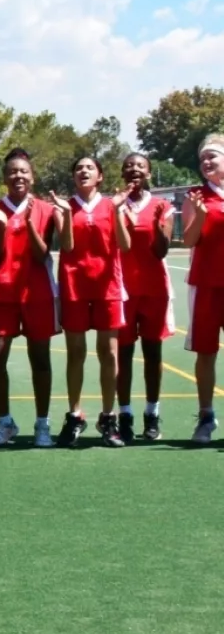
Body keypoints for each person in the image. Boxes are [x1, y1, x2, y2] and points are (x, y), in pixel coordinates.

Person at [0, 148, 59, 448]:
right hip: (2, 291)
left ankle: (42, 424)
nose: (18, 176)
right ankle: (5, 422)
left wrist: (27, 223)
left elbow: (41, 255)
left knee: (40, 359)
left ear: (32, 177)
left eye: (23, 171)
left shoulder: (46, 211)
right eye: (12, 172)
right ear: (4, 178)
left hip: (36, 293)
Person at [52, 155, 130, 447]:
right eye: (78, 168)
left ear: (99, 176)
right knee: (76, 353)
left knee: (109, 353)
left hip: (107, 286)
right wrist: (66, 214)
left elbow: (125, 245)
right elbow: (68, 245)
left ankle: (108, 418)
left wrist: (119, 212)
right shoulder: (63, 207)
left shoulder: (111, 205)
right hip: (74, 285)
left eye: (90, 168)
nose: (83, 171)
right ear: (74, 177)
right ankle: (75, 415)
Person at [113, 152, 174, 442]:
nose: (134, 169)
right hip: (122, 290)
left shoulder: (162, 205)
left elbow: (162, 250)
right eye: (129, 166)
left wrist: (159, 226)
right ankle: (125, 414)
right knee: (122, 355)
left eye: (140, 166)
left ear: (149, 173)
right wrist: (119, 209)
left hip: (153, 290)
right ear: (122, 173)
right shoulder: (112, 205)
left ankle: (152, 413)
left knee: (152, 353)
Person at [180, 133, 224, 445]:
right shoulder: (196, 196)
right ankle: (206, 416)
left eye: (213, 157)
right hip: (206, 284)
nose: (207, 162)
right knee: (206, 353)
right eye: (203, 159)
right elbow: (190, 240)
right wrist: (202, 217)